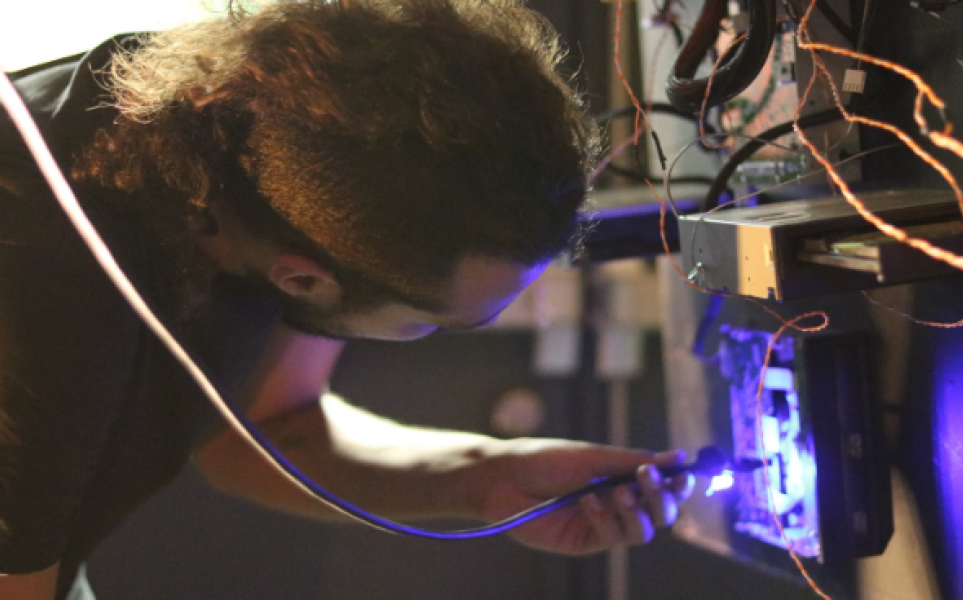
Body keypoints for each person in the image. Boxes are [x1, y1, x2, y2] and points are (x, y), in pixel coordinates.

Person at [0, 1, 692, 598]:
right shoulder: (43, 316)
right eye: (437, 321)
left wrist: (488, 479)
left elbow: (278, 424)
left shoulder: (289, 149)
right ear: (301, 279)